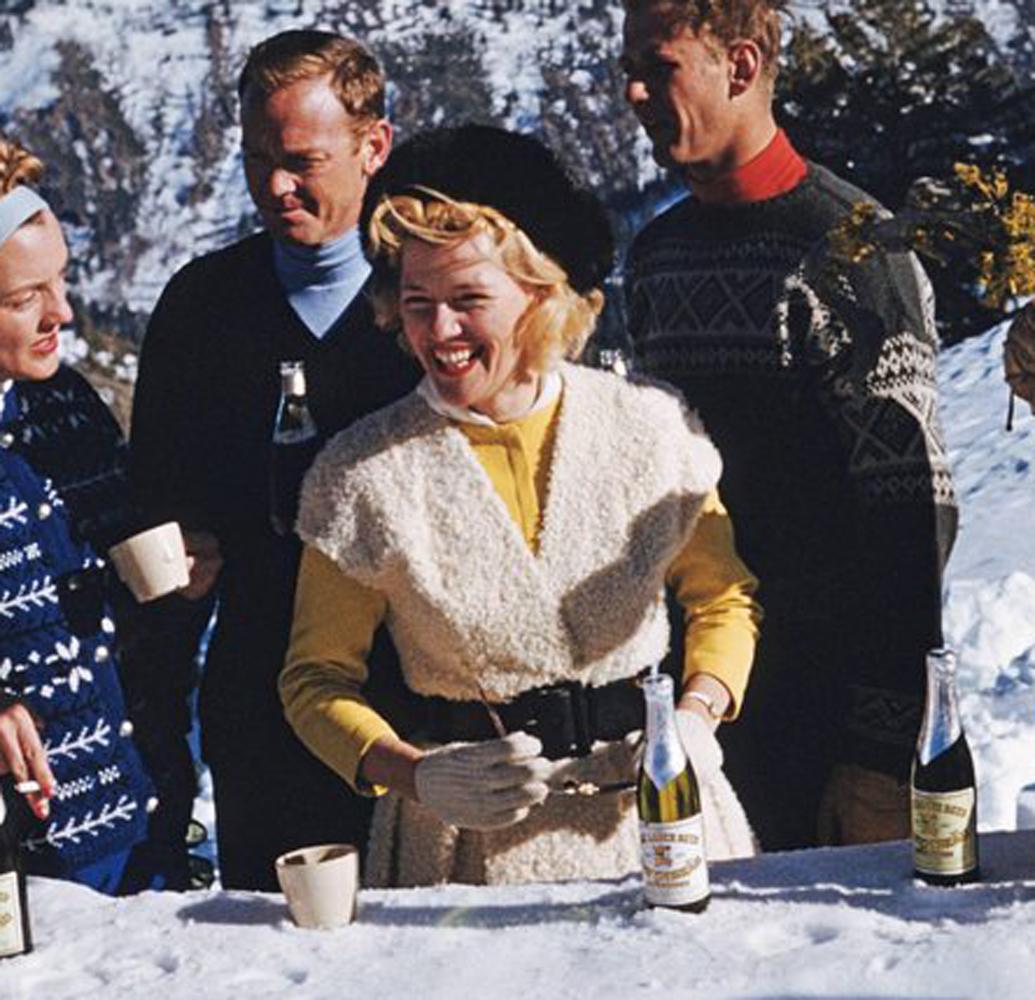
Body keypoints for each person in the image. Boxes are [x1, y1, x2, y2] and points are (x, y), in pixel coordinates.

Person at [279, 125, 762, 888]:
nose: (439, 333)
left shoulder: (649, 427)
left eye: (468, 300)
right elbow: (313, 682)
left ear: (542, 296)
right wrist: (412, 775)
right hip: (463, 851)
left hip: (659, 817)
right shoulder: (358, 474)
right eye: (416, 304)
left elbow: (724, 599)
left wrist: (698, 718)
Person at [620, 0, 958, 850]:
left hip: (828, 723)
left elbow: (912, 518)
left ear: (739, 67)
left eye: (658, 67)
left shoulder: (855, 254)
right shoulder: (656, 257)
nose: (631, 93)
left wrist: (880, 753)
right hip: (695, 705)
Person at [129, 30, 419, 891]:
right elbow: (152, 498)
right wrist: (175, 552)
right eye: (257, 159)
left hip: (415, 692)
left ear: (375, 147)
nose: (275, 186)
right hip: (259, 695)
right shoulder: (202, 306)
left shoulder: (429, 296)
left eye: (302, 160)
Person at [0, 135, 157, 893]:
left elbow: (116, 552)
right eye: (23, 297)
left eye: (59, 281)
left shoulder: (65, 404)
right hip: (18, 856)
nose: (60, 312)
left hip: (127, 815)